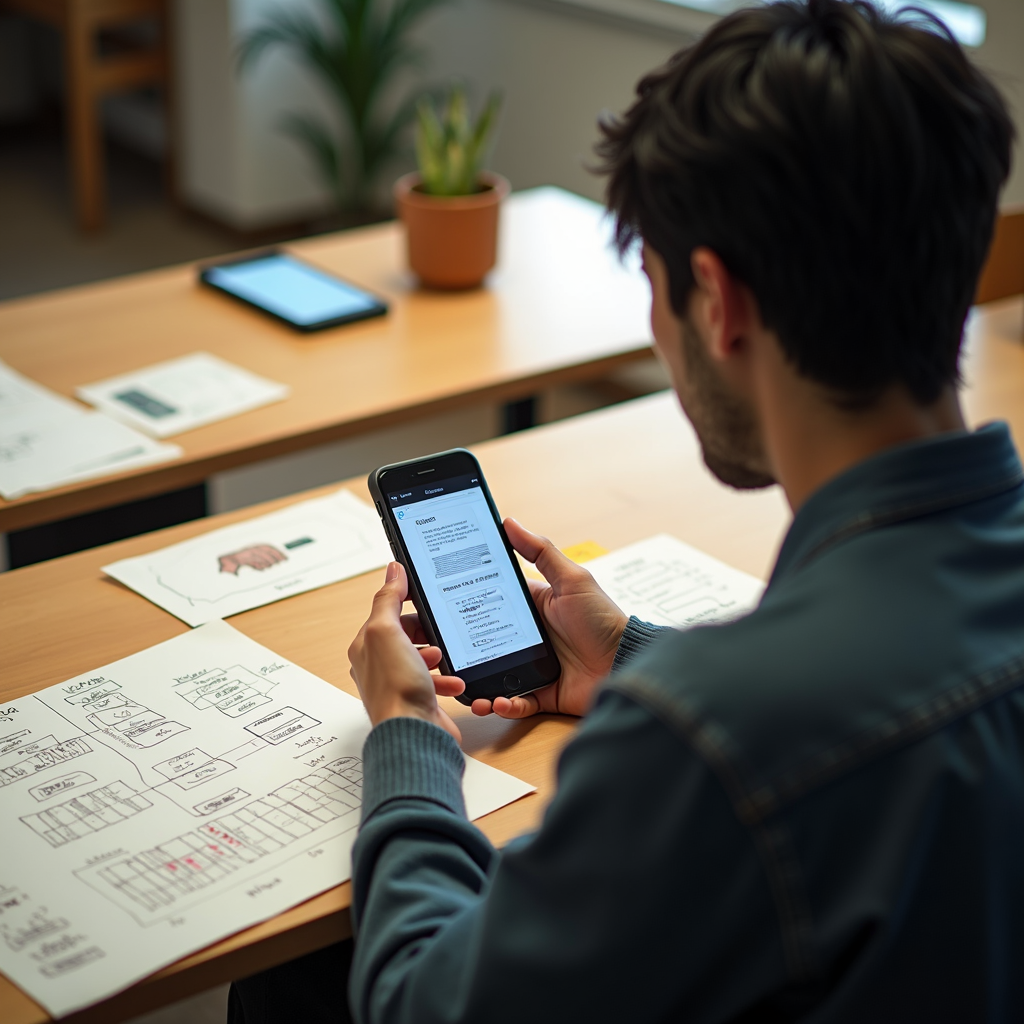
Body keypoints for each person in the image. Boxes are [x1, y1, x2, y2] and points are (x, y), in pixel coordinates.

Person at [229, 1, 1023, 1021]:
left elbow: (424, 1004)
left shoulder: (705, 735)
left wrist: (407, 735)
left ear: (717, 299)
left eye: (651, 284)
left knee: (297, 971)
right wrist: (634, 659)